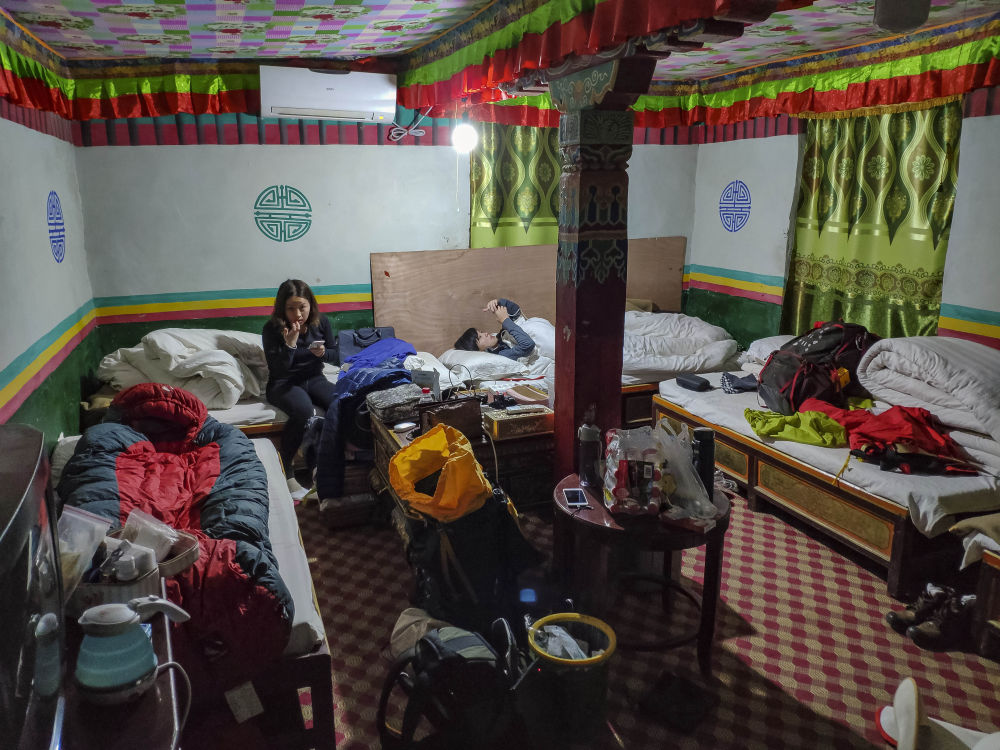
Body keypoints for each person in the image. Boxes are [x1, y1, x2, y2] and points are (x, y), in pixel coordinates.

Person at [263, 279, 338, 500]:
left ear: (310, 305)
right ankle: (287, 468)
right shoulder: (272, 329)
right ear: (282, 308)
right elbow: (278, 369)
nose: (297, 314)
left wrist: (323, 353)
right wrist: (290, 344)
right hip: (283, 382)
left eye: (302, 307)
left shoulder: (321, 322)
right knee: (304, 410)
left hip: (314, 378)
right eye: (291, 308)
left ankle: (318, 463)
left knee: (338, 402)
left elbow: (336, 355)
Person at [453, 298, 535, 359]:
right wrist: (505, 321)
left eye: (481, 332)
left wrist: (499, 303)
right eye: (480, 337)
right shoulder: (501, 355)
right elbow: (528, 345)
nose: (485, 333)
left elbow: (516, 313)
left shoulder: (500, 338)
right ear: (479, 351)